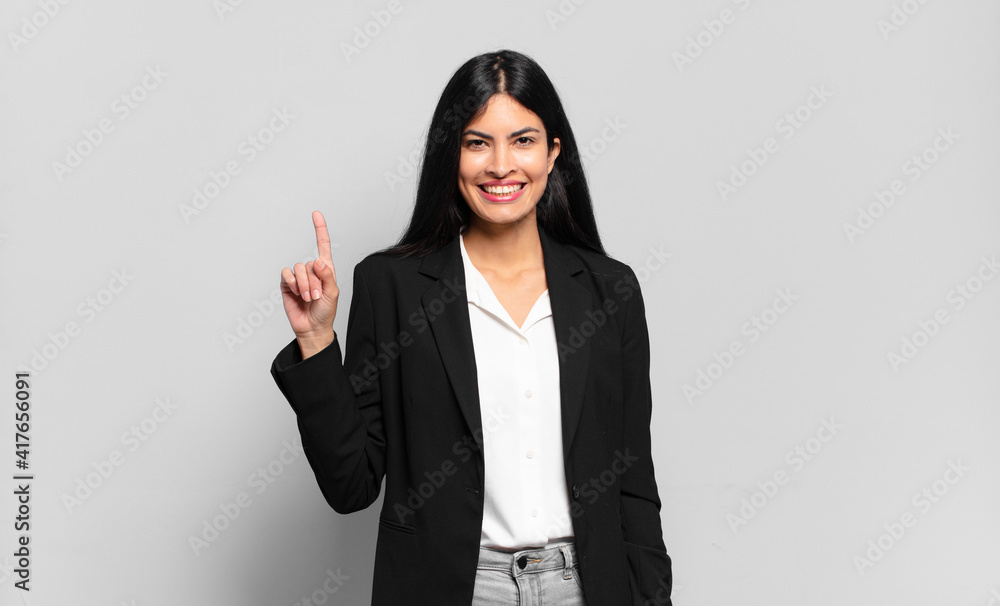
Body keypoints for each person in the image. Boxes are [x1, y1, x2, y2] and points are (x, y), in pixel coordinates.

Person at [270, 49, 673, 606]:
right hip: (452, 589)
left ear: (554, 153)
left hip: (586, 588)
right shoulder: (394, 286)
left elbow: (633, 483)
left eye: (524, 140)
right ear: (450, 155)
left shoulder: (610, 290)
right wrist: (316, 341)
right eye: (477, 142)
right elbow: (351, 485)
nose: (501, 165)